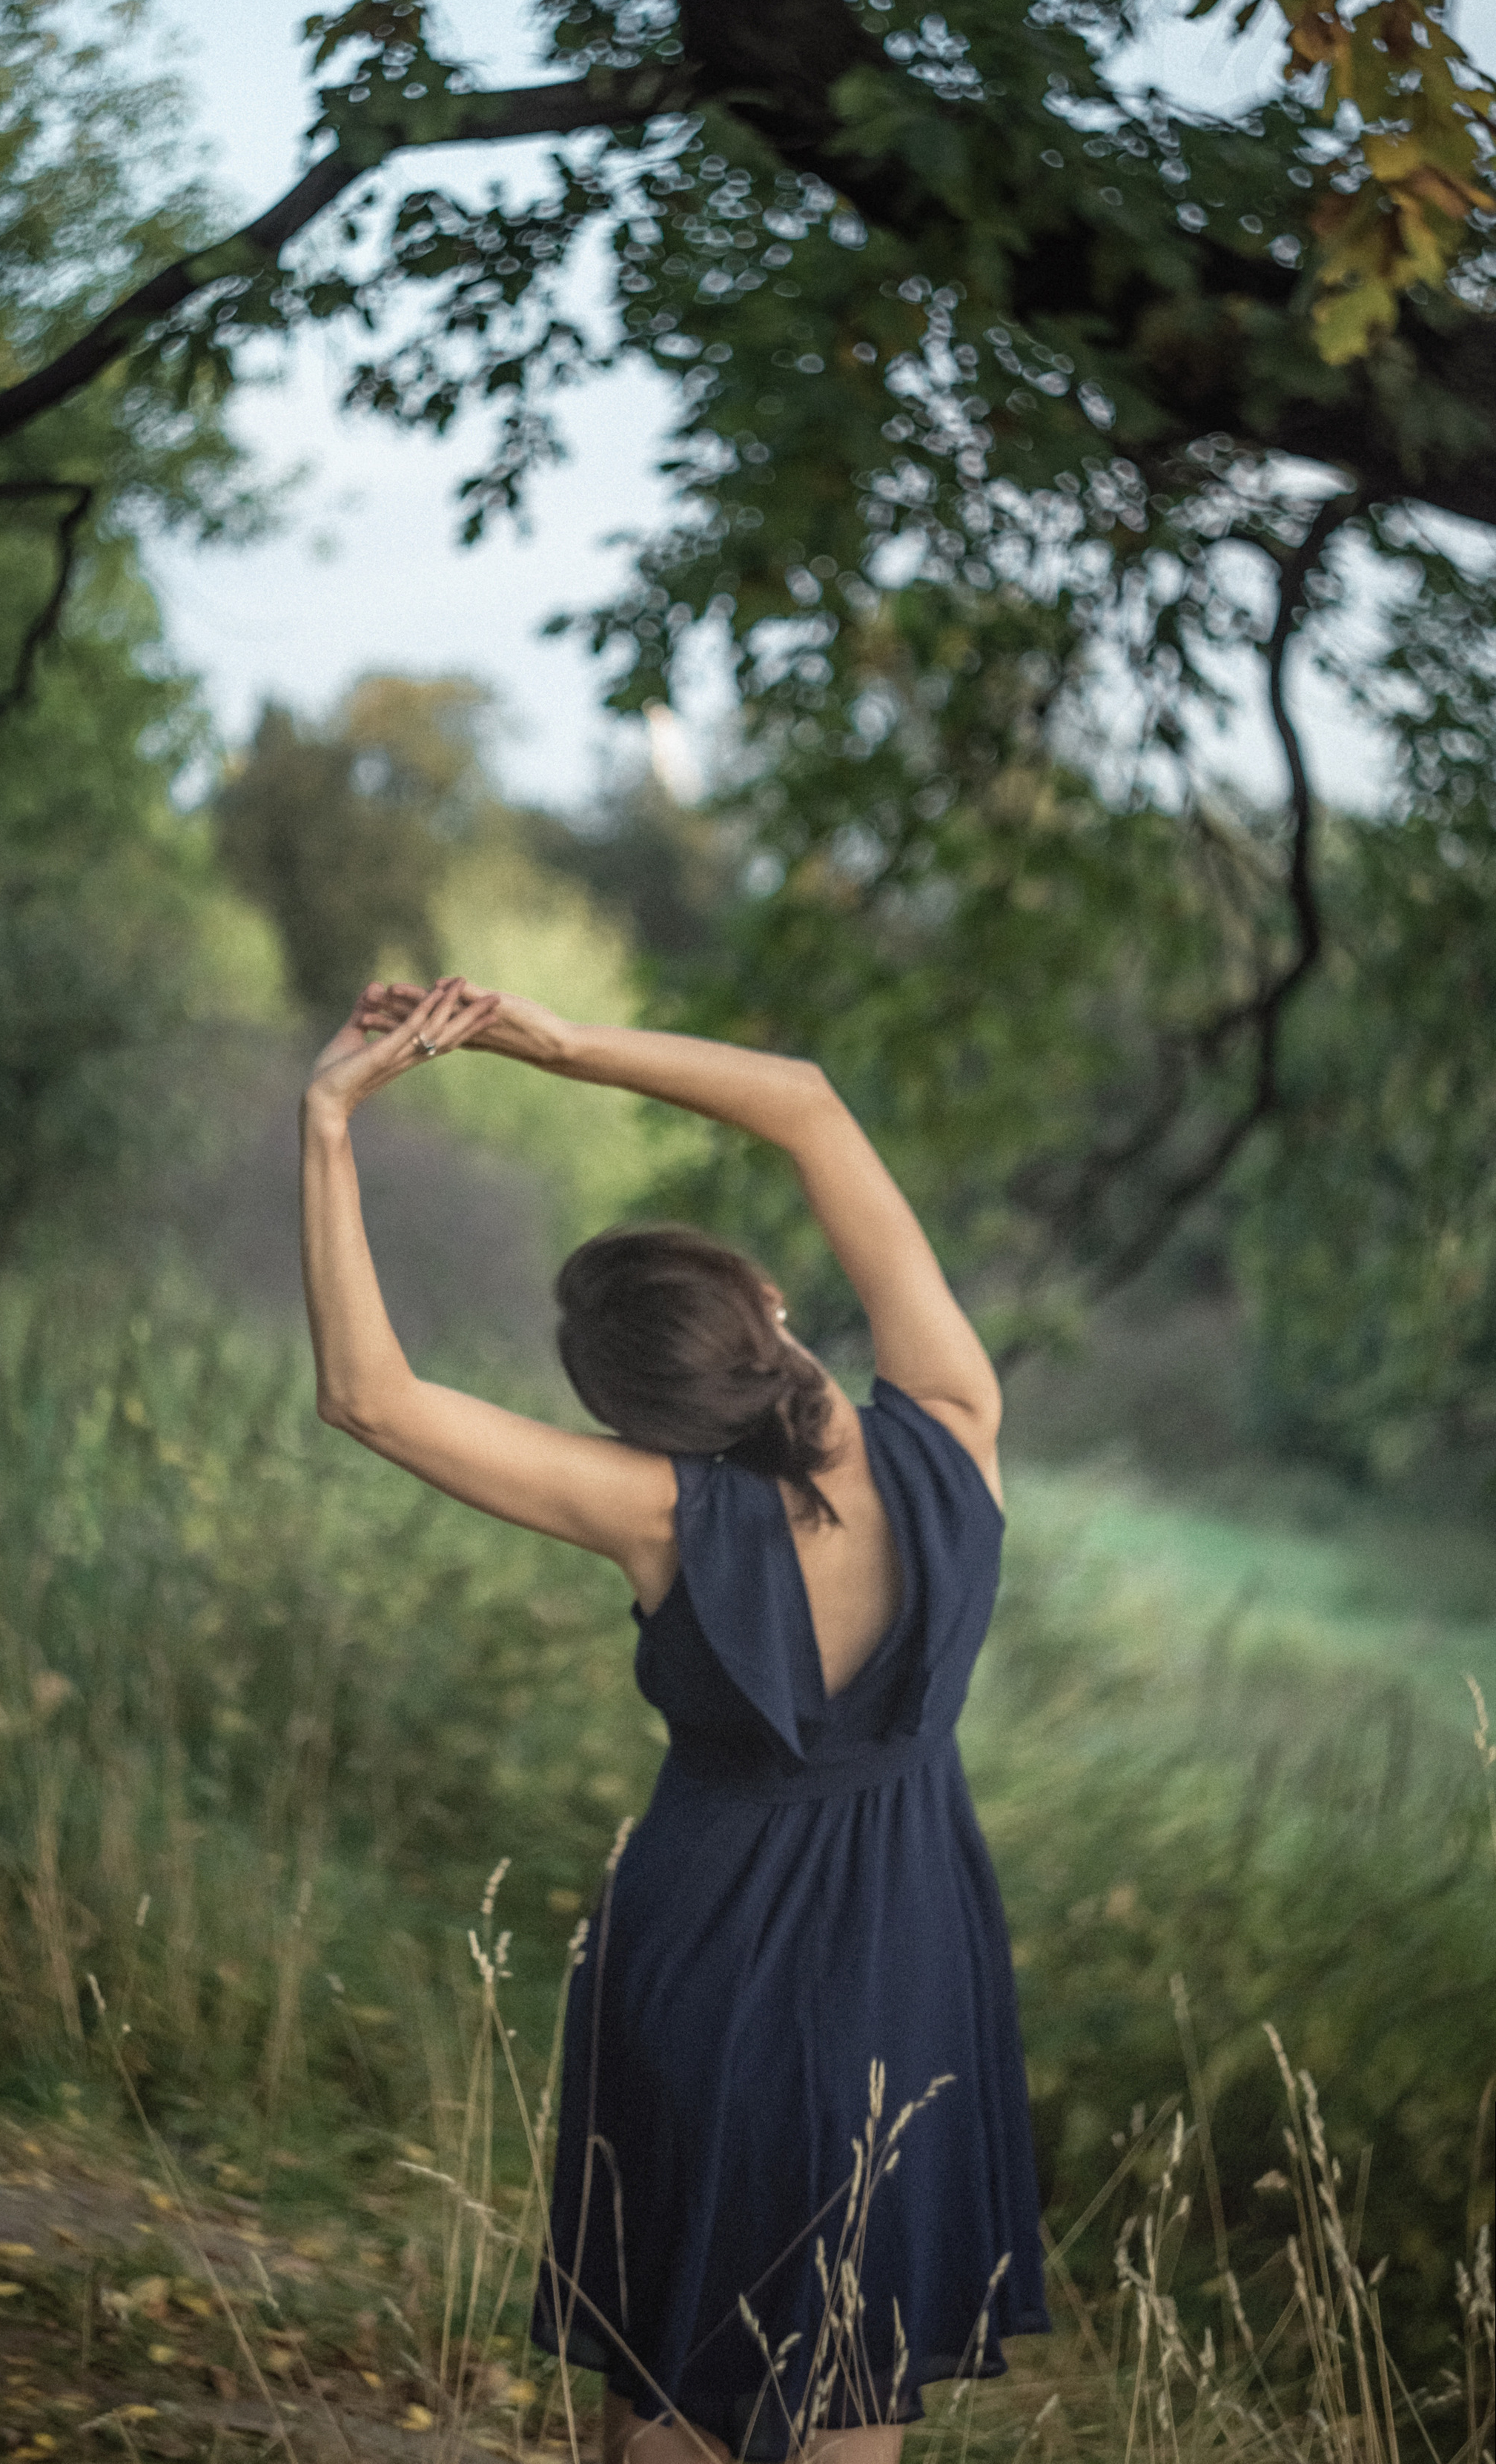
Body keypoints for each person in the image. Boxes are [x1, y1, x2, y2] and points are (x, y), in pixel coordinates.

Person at [299, 976, 1048, 2464]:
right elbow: (804, 1101)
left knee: (669, 2387)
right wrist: (556, 1043)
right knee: (852, 2385)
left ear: (645, 1420)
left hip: (704, 1963)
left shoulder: (655, 1511)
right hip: (911, 1957)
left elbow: (368, 1398)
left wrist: (329, 1122)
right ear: (763, 1307)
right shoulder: (954, 1425)